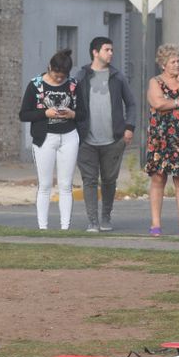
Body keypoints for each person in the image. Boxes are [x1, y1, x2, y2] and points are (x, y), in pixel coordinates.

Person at [19, 49, 88, 230]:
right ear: (49, 68)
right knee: (45, 184)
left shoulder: (73, 85)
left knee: (66, 185)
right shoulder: (35, 85)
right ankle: (43, 227)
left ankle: (65, 227)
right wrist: (45, 113)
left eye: (63, 76)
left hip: (69, 136)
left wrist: (72, 113)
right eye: (56, 75)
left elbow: (82, 113)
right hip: (45, 137)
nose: (59, 80)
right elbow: (24, 114)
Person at [75, 36, 137, 232]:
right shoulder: (81, 77)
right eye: (107, 50)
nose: (111, 53)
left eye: (111, 50)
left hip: (113, 140)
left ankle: (106, 217)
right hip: (86, 139)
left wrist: (129, 127)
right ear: (95, 52)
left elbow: (132, 104)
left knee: (109, 180)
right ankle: (92, 221)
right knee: (89, 180)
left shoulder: (117, 77)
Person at [143, 44, 179, 237]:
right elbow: (158, 103)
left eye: (178, 61)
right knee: (158, 179)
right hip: (161, 137)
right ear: (163, 65)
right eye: (172, 62)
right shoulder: (155, 82)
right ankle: (156, 224)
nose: (176, 64)